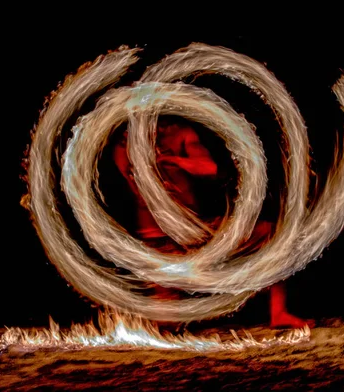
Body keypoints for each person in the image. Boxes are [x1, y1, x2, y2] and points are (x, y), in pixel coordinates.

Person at [112, 118, 314, 329]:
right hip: (161, 242)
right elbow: (140, 188)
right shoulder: (123, 147)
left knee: (271, 237)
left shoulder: (179, 133)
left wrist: (175, 160)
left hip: (198, 230)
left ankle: (278, 313)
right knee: (166, 326)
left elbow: (209, 167)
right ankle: (140, 320)